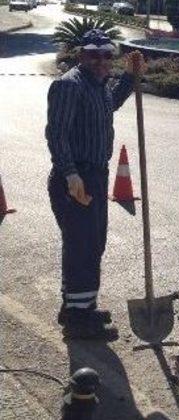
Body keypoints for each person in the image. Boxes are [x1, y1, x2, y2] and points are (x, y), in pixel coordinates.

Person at [45, 29, 145, 339]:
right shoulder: (68, 85)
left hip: (96, 176)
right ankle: (77, 320)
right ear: (81, 55)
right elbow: (56, 134)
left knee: (93, 245)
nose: (101, 61)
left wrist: (129, 76)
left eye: (107, 55)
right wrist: (70, 174)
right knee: (81, 247)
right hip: (75, 179)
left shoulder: (98, 86)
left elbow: (110, 103)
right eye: (93, 54)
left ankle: (80, 308)